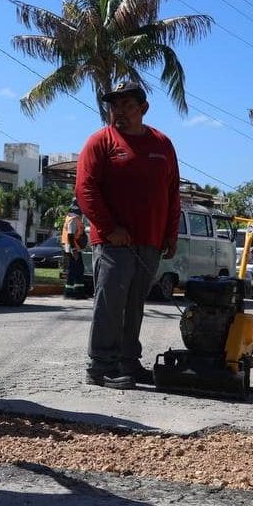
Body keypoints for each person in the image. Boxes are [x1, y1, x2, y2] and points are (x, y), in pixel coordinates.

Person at [75, 80, 180, 389]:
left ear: (143, 109)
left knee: (134, 304)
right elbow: (86, 189)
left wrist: (170, 235)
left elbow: (173, 193)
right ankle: (100, 367)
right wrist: (110, 228)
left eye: (127, 105)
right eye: (114, 105)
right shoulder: (100, 142)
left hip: (150, 242)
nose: (119, 112)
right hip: (113, 242)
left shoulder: (162, 144)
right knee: (110, 302)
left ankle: (127, 363)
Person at [61, 200, 89, 299]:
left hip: (75, 249)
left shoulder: (75, 218)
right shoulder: (73, 219)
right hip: (73, 250)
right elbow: (70, 235)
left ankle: (78, 292)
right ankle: (69, 292)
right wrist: (74, 250)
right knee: (73, 271)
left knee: (79, 270)